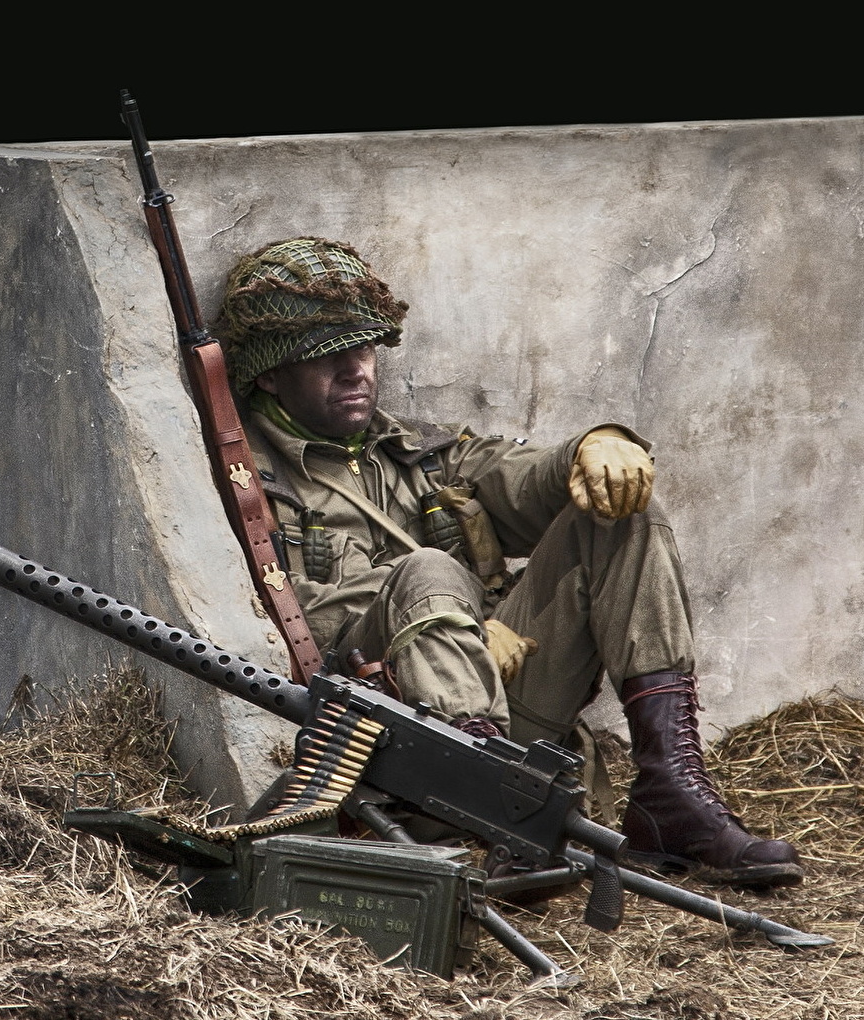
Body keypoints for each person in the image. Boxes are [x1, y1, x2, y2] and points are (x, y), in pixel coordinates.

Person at [216, 236, 802, 887]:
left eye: (365, 348)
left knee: (622, 513)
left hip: (507, 705)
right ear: (269, 373)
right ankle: (499, 804)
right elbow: (299, 626)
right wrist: (456, 622)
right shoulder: (251, 488)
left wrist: (594, 446)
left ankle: (669, 792)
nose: (357, 370)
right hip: (382, 741)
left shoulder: (421, 454)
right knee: (430, 569)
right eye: (326, 355)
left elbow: (522, 478)